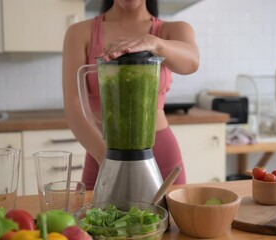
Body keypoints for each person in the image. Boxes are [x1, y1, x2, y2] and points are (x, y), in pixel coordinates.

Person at [62, 0, 199, 190]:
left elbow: (192, 61)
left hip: (159, 150)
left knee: (171, 219)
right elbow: (73, 104)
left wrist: (156, 43)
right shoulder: (79, 32)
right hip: (102, 151)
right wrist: (107, 158)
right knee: (98, 219)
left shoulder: (172, 30)